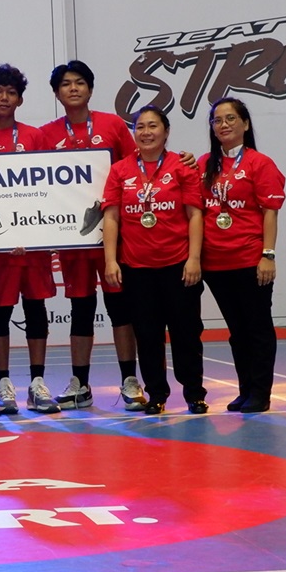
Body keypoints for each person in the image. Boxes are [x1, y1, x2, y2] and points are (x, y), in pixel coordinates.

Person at [37, 62, 145, 411]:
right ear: (56, 93)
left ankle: (130, 380)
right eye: (66, 84)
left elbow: (136, 166)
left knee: (120, 308)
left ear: (91, 89)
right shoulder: (46, 135)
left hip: (113, 236)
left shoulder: (112, 125)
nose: (73, 88)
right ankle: (80, 384)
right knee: (81, 309)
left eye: (80, 82)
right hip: (73, 239)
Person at [0, 65, 60, 415]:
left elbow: (51, 186)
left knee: (36, 309)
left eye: (11, 92)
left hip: (33, 242)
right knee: (0, 311)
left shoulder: (36, 137)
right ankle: (3, 383)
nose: (4, 98)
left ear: (20, 99)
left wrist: (39, 228)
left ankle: (37, 383)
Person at [102, 106, 206, 416]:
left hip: (178, 266)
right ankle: (156, 394)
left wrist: (194, 258)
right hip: (137, 268)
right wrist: (111, 261)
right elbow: (111, 217)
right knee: (147, 336)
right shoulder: (120, 170)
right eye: (140, 127)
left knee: (186, 334)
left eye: (153, 126)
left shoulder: (182, 166)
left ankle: (194, 394)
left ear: (166, 131)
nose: (146, 132)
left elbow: (195, 214)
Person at [199, 98, 285, 413]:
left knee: (257, 328)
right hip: (215, 263)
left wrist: (268, 255)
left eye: (231, 118)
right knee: (237, 331)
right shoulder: (204, 164)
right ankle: (245, 389)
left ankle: (261, 392)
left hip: (250, 260)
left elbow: (270, 212)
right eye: (217, 120)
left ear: (245, 124)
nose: (223, 125)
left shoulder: (259, 163)